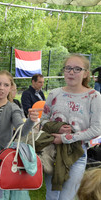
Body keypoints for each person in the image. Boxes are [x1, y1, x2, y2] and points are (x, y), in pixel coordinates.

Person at [41, 54, 101, 200]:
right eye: (68, 68)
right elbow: (42, 121)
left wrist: (66, 138)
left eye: (77, 69)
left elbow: (96, 129)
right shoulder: (54, 94)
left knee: (67, 197)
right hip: (53, 153)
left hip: (77, 154)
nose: (71, 72)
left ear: (86, 73)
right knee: (51, 196)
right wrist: (57, 128)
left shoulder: (94, 97)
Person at [0, 70, 41, 200]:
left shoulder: (13, 108)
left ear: (11, 87)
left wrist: (30, 121)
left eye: (6, 85)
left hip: (1, 164)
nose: (1, 88)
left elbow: (21, 131)